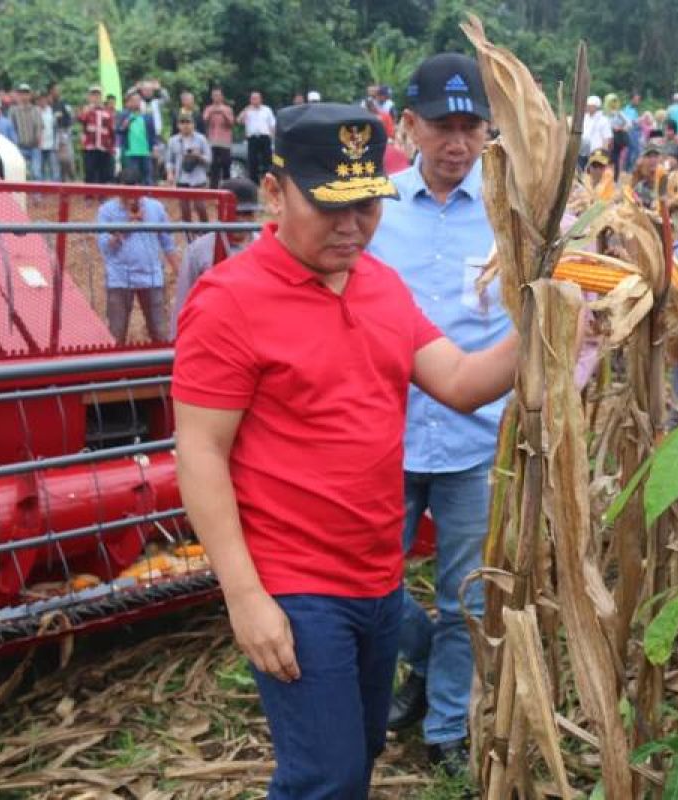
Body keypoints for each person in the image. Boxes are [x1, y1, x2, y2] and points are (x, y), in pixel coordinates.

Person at [172, 101, 518, 799]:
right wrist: (244, 597)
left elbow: (458, 381)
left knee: (355, 760)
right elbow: (200, 452)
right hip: (296, 587)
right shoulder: (229, 302)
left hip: (377, 579)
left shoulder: (381, 286)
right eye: (330, 206)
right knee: (322, 777)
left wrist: (555, 327)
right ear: (274, 192)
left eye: (366, 204)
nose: (353, 225)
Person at [365, 52, 508, 775]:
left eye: (471, 127)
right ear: (408, 125)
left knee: (466, 598)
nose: (457, 143)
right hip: (383, 434)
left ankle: (446, 729)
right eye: (441, 127)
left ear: (489, 130)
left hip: (476, 439)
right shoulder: (373, 207)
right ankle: (417, 665)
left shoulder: (515, 215)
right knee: (368, 581)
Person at [96, 166, 179, 344]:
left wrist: (179, 272)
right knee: (116, 333)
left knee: (160, 331)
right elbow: (104, 246)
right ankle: (114, 371)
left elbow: (168, 242)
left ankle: (161, 370)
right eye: (127, 194)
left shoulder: (156, 207)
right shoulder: (106, 211)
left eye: (135, 193)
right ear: (119, 189)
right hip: (119, 277)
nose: (131, 198)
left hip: (151, 277)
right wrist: (129, 223)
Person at [173, 177, 262, 334]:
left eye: (247, 213)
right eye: (235, 213)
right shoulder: (199, 252)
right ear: (220, 210)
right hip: (214, 333)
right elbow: (183, 302)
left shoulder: (265, 247)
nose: (241, 220)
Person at [166, 112, 212, 228]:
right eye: (182, 122)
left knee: (200, 206)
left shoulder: (201, 139)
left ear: (193, 124)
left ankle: (206, 230)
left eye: (188, 122)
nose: (186, 125)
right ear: (178, 125)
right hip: (182, 178)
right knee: (184, 208)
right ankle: (188, 234)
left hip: (198, 178)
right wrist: (170, 174)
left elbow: (209, 159)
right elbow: (169, 160)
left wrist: (198, 156)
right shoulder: (173, 141)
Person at [118, 90, 157, 185]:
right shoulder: (124, 115)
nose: (136, 102)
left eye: (138, 100)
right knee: (132, 178)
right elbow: (118, 130)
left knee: (147, 177)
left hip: (145, 152)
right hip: (130, 152)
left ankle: (148, 196)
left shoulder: (147, 117)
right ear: (129, 102)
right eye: (134, 100)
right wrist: (125, 125)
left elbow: (152, 134)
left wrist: (154, 147)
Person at [79, 86, 116, 184]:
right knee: (89, 172)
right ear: (89, 97)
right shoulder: (86, 110)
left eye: (98, 95)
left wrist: (111, 147)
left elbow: (111, 130)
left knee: (103, 173)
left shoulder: (107, 112)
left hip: (104, 147)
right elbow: (81, 119)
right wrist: (89, 109)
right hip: (90, 147)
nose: (95, 98)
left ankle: (102, 196)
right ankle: (89, 196)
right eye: (93, 95)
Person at [239, 91, 277, 184]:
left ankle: (267, 181)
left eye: (256, 98)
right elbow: (239, 121)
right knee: (252, 161)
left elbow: (272, 125)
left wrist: (272, 138)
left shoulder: (267, 110)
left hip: (265, 137)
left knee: (267, 160)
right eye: (252, 98)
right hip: (252, 138)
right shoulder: (247, 110)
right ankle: (254, 183)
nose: (254, 100)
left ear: (261, 99)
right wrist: (246, 110)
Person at [8, 84, 42, 178]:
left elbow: (39, 127)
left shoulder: (36, 110)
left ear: (30, 95)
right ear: (18, 95)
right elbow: (12, 128)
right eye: (22, 93)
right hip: (20, 146)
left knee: (36, 173)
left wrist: (39, 142)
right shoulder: (13, 111)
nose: (24, 96)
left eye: (26, 93)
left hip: (34, 146)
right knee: (21, 173)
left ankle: (38, 193)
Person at [204, 87, 235, 188]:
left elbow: (231, 123)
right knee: (213, 167)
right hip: (212, 141)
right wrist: (211, 112)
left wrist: (223, 113)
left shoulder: (227, 109)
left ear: (222, 97)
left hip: (225, 142)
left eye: (218, 95)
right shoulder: (208, 109)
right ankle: (213, 189)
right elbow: (204, 120)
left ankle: (228, 187)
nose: (216, 97)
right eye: (214, 95)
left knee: (226, 166)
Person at [48, 83, 75, 181]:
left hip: (64, 133)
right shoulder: (49, 105)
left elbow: (71, 117)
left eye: (58, 90)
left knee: (67, 160)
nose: (57, 92)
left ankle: (72, 180)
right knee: (57, 163)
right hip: (51, 137)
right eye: (55, 90)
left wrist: (67, 131)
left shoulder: (64, 104)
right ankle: (61, 182)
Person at [580, 95, 611, 169]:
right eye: (588, 105)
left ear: (596, 107)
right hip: (582, 151)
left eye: (591, 106)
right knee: (580, 170)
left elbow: (606, 138)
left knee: (592, 172)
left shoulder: (603, 120)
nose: (588, 107)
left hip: (596, 152)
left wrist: (603, 153)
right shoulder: (584, 117)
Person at [604, 93, 630, 179]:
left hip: (616, 138)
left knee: (615, 158)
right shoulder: (604, 114)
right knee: (605, 157)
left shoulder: (619, 113)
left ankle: (615, 178)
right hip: (606, 137)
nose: (613, 104)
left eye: (615, 101)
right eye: (612, 101)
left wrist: (620, 128)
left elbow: (629, 123)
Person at [35, 93, 58, 181]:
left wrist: (56, 143)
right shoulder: (35, 111)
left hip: (51, 144)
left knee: (54, 168)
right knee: (40, 169)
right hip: (39, 145)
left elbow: (55, 128)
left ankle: (56, 189)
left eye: (43, 99)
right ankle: (43, 190)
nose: (42, 101)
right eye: (40, 99)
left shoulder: (52, 111)